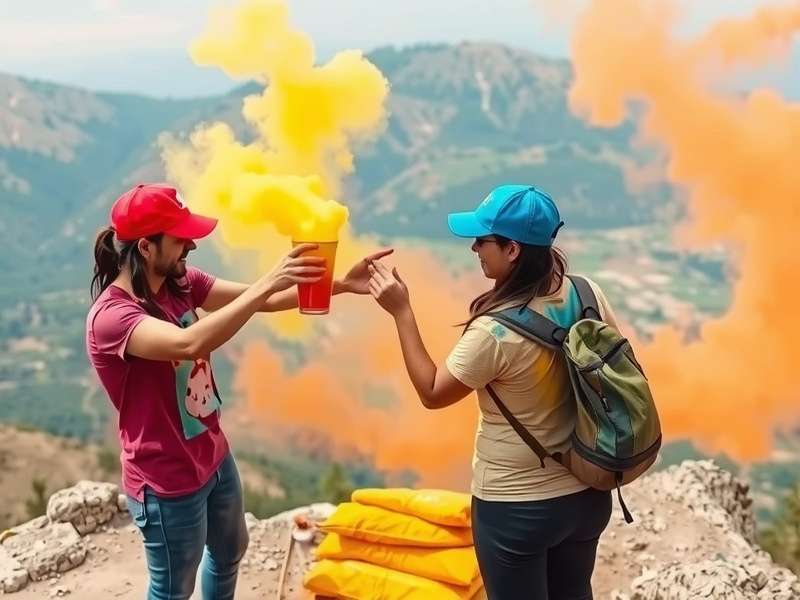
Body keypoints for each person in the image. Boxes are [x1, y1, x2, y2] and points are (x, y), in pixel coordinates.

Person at [85, 183, 391, 600]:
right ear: (145, 247)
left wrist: (339, 284)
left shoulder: (180, 283)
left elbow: (256, 300)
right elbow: (187, 343)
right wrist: (266, 283)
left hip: (212, 455)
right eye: (179, 239)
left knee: (230, 551)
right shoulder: (113, 317)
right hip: (166, 478)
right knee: (173, 587)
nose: (190, 245)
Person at [367, 184, 620, 600]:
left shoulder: (495, 331)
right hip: (588, 494)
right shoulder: (587, 294)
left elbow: (433, 392)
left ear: (513, 250)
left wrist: (401, 311)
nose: (474, 249)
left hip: (517, 507)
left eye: (482, 240)